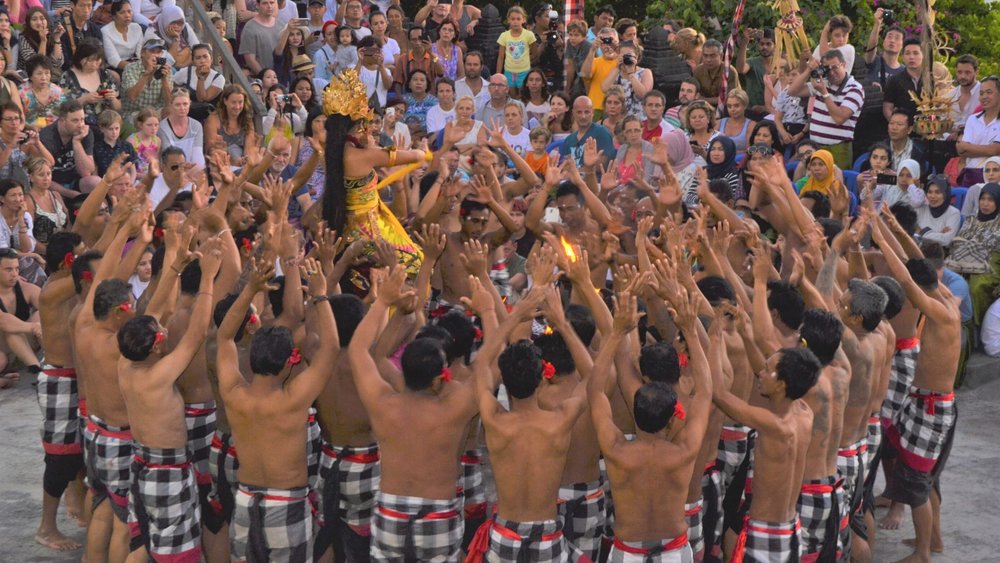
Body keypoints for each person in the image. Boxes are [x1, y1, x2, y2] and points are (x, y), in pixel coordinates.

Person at [347, 264, 477, 560]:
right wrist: (492, 312)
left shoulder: (383, 401)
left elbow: (358, 351)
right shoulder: (455, 406)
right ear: (438, 378)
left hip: (391, 510)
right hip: (438, 512)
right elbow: (492, 364)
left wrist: (383, 302)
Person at [217, 256, 339, 561]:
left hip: (245, 500)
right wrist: (321, 294)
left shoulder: (234, 393)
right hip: (286, 503)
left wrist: (250, 291)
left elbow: (224, 336)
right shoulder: (294, 398)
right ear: (288, 363)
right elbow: (331, 348)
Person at [462, 281, 589, 561]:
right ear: (544, 375)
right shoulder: (560, 421)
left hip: (504, 535)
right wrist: (562, 324)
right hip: (547, 537)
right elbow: (591, 377)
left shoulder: (495, 419)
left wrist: (515, 315)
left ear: (503, 381)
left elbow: (482, 364)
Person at [116, 236, 222, 563]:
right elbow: (197, 332)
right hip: (168, 472)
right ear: (157, 347)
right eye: (159, 333)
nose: (163, 327)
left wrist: (174, 268)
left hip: (142, 464)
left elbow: (153, 311)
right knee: (177, 555)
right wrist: (206, 277)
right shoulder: (159, 375)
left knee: (144, 543)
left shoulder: (125, 364)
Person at [596, 282, 712, 561]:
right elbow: (707, 391)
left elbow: (596, 392)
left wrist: (615, 333)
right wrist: (691, 332)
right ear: (673, 419)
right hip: (674, 550)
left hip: (628, 551)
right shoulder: (684, 451)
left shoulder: (615, 449)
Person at [870, 218, 961, 563]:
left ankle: (923, 553)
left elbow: (907, 277)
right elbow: (916, 265)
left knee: (917, 483)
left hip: (932, 408)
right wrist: (894, 229)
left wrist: (880, 237)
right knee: (923, 478)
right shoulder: (948, 298)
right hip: (926, 403)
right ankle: (933, 540)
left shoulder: (940, 311)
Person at [712, 342, 822, 561]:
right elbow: (773, 376)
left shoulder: (774, 424)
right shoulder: (804, 412)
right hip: (789, 528)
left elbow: (719, 394)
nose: (759, 374)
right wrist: (745, 334)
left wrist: (713, 337)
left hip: (766, 533)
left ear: (781, 385)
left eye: (766, 370)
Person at [319, 69, 434, 278]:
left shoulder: (332, 153)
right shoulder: (366, 155)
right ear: (360, 125)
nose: (370, 128)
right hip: (369, 228)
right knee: (417, 264)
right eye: (367, 123)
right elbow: (417, 156)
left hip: (348, 224)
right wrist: (422, 149)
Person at [790, 49, 865, 170]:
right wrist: (809, 70)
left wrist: (824, 93)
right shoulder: (823, 83)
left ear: (844, 65)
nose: (832, 73)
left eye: (835, 67)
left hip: (838, 149)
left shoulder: (855, 88)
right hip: (815, 147)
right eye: (827, 69)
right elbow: (792, 91)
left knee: (835, 185)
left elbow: (839, 118)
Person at [945, 183, 1000, 325]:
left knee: (976, 287)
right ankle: (946, 321)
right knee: (945, 278)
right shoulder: (971, 218)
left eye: (991, 200)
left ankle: (973, 326)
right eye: (983, 199)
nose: (985, 204)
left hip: (992, 261)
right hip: (964, 256)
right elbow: (959, 240)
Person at [39, 99, 99, 196]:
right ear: (62, 120)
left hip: (76, 180)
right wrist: (69, 193)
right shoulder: (46, 138)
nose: (80, 125)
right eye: (75, 120)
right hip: (52, 185)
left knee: (96, 182)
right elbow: (41, 178)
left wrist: (77, 142)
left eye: (82, 119)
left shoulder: (85, 133)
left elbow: (86, 172)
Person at [58, 39, 120, 126]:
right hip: (81, 124)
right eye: (90, 60)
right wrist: (84, 100)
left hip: (107, 124)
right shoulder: (67, 77)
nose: (94, 64)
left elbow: (118, 108)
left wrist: (112, 98)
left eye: (98, 60)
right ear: (80, 58)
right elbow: (61, 108)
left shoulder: (105, 75)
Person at [957, 76, 1000, 186]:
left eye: (989, 92)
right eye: (981, 93)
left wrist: (967, 147)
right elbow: (962, 151)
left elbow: (994, 151)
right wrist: (987, 149)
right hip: (970, 174)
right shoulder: (972, 119)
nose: (984, 96)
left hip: (994, 177)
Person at [121, 39, 173, 124]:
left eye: (159, 52)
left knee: (170, 110)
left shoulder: (165, 69)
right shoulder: (130, 68)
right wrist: (146, 74)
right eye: (152, 51)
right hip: (135, 113)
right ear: (142, 53)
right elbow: (132, 96)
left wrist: (164, 80)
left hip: (156, 112)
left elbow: (168, 102)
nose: (156, 55)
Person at [204, 85, 256, 166]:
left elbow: (249, 150)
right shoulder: (214, 119)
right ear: (225, 101)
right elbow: (211, 149)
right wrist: (232, 160)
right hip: (219, 163)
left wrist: (244, 160)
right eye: (234, 102)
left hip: (240, 165)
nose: (237, 107)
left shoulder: (247, 120)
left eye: (240, 102)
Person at [601, 41, 652, 121]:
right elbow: (604, 89)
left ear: (637, 56)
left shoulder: (645, 72)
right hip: (618, 121)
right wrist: (618, 67)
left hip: (639, 120)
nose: (626, 58)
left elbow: (643, 95)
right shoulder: (615, 72)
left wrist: (631, 73)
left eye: (629, 55)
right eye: (623, 56)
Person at [157, 89, 205, 168]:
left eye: (185, 104)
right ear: (171, 105)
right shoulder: (162, 127)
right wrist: (184, 167)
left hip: (193, 170)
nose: (182, 108)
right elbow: (170, 157)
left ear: (190, 103)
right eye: (177, 105)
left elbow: (198, 156)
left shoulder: (197, 126)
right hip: (171, 170)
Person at [391, 25, 444, 95]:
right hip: (409, 99)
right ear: (409, 41)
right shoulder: (403, 59)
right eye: (414, 39)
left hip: (429, 99)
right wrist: (400, 98)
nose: (417, 42)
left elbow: (441, 73)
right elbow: (397, 82)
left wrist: (431, 53)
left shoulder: (433, 57)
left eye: (420, 39)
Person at [734, 27, 775, 118]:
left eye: (768, 44)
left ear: (775, 46)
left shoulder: (781, 65)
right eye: (762, 44)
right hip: (752, 111)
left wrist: (766, 108)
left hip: (774, 113)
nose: (764, 47)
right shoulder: (752, 62)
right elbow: (740, 69)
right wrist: (745, 42)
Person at [882, 38, 924, 121]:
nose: (911, 57)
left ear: (923, 56)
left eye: (916, 53)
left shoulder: (931, 80)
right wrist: (896, 125)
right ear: (903, 57)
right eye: (907, 53)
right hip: (904, 129)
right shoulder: (894, 80)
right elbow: (887, 108)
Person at [579, 27, 618, 114]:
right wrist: (592, 49)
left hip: (617, 109)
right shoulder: (595, 61)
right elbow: (584, 75)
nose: (608, 44)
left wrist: (618, 48)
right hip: (596, 108)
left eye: (611, 40)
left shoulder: (622, 61)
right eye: (604, 41)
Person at [496, 6, 534, 93]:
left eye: (518, 19)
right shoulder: (504, 36)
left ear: (523, 19)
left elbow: (534, 54)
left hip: (524, 71)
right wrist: (498, 75)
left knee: (523, 95)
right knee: (511, 95)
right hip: (509, 71)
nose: (515, 22)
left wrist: (524, 61)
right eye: (513, 19)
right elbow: (501, 57)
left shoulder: (529, 35)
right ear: (508, 20)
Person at [19, 56, 65, 128]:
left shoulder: (57, 91)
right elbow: (16, 118)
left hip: (54, 131)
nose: (44, 77)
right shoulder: (21, 92)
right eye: (39, 73)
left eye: (47, 73)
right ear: (30, 76)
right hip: (29, 130)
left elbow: (64, 115)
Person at [863, 9, 904, 89]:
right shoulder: (874, 62)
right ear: (883, 42)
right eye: (889, 36)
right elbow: (870, 49)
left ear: (902, 45)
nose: (892, 40)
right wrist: (877, 24)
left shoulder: (904, 72)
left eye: (897, 38)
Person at [239, 0, 282, 75]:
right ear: (258, 5)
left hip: (282, 77)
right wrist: (265, 76)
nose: (269, 6)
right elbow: (250, 60)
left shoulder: (281, 25)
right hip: (261, 78)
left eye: (272, 2)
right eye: (265, 3)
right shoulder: (249, 28)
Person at [916, 176, 961, 247]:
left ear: (945, 194)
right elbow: (910, 233)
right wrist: (938, 234)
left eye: (938, 192)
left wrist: (921, 232)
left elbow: (946, 240)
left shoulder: (953, 213)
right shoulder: (921, 208)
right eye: (930, 192)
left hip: (938, 255)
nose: (932, 196)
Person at [101, 0, 143, 76]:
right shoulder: (106, 32)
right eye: (122, 12)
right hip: (116, 68)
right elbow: (114, 61)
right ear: (114, 16)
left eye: (129, 11)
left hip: (135, 64)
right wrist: (138, 68)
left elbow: (140, 54)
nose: (127, 15)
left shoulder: (137, 28)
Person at [17, 7, 65, 72]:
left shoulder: (51, 34)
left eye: (42, 18)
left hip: (49, 75)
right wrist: (43, 41)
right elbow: (37, 65)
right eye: (34, 19)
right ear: (28, 22)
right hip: (28, 75)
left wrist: (57, 38)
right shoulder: (24, 37)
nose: (39, 22)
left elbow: (58, 63)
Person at [60, 0, 103, 71]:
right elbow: (64, 62)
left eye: (89, 6)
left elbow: (100, 55)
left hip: (93, 68)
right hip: (72, 71)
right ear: (72, 5)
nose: (86, 10)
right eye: (82, 6)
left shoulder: (95, 29)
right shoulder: (62, 29)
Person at [718, 89, 756, 155]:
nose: (732, 109)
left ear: (745, 105)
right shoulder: (718, 123)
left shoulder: (751, 125)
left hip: (741, 162)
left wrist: (727, 153)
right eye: (729, 106)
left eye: (736, 106)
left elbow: (750, 151)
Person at [950, 54, 981, 132]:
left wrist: (961, 133)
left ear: (977, 72)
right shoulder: (950, 95)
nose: (962, 76)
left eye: (967, 72)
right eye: (959, 72)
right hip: (948, 140)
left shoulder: (984, 93)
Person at [706, 136, 742, 201]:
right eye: (713, 149)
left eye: (721, 149)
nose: (716, 153)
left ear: (728, 152)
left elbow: (729, 200)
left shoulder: (733, 175)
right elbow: (690, 196)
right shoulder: (703, 171)